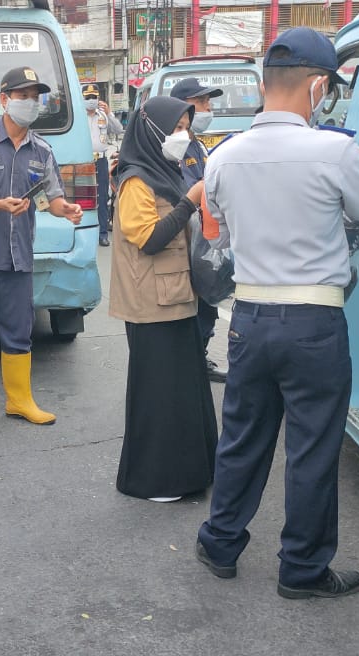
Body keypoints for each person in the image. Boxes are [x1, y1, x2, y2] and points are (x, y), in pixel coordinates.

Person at [195, 27, 359, 599]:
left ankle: (220, 543)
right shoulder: (335, 151)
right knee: (312, 448)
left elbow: (220, 224)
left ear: (265, 85)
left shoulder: (224, 155)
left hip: (250, 318)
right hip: (314, 322)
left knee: (242, 437)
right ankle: (302, 570)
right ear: (317, 88)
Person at [0, 66, 84, 435]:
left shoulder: (42, 150)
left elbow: (50, 198)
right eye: (21, 96)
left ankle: (19, 400)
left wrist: (66, 209)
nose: (29, 103)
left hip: (18, 255)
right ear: (4, 99)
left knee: (18, 330)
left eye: (34, 97)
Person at [109, 96, 217, 503]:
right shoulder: (136, 179)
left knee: (182, 389)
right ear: (152, 130)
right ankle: (156, 479)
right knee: (160, 394)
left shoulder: (165, 169)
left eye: (185, 127)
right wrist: (191, 200)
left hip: (175, 295)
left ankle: (191, 471)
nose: (182, 135)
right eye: (175, 128)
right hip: (151, 302)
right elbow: (150, 239)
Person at [169, 77, 229, 383]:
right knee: (195, 304)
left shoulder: (197, 144)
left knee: (208, 302)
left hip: (205, 234)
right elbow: (187, 192)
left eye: (209, 102)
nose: (208, 108)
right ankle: (189, 362)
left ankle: (198, 356)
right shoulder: (175, 145)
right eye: (202, 102)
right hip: (188, 236)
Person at [83, 83, 122, 246]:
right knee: (84, 197)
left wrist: (109, 113)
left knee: (103, 196)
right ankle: (84, 234)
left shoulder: (103, 115)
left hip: (100, 160)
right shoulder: (78, 116)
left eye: (94, 97)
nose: (91, 100)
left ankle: (103, 234)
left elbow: (118, 130)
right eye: (88, 97)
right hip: (83, 161)